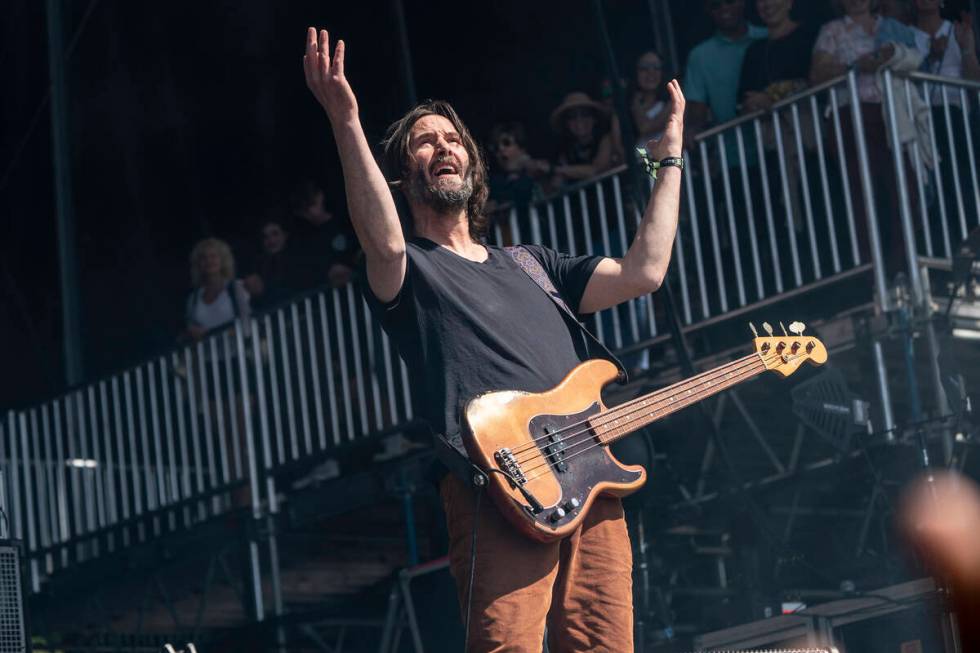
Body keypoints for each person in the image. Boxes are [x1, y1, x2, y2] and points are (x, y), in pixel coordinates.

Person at [304, 27, 685, 652]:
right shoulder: (410, 268)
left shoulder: (534, 265)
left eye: (452, 138)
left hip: (591, 487)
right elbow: (382, 238)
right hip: (499, 485)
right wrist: (346, 119)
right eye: (424, 143)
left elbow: (645, 271)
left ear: (471, 163)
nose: (442, 146)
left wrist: (669, 160)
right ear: (405, 176)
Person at [685, 0, 768, 138]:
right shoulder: (700, 56)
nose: (724, 8)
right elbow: (696, 115)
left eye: (729, 1)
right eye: (715, 5)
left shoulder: (767, 36)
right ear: (708, 11)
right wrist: (692, 131)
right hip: (732, 151)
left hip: (777, 140)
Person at [738, 0, 818, 113]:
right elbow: (742, 101)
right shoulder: (754, 51)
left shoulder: (811, 35)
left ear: (790, 2)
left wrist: (772, 98)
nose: (767, 4)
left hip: (810, 121)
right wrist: (752, 104)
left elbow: (818, 79)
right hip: (770, 127)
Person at [288, 180, 360, 290]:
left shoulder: (345, 222)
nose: (311, 211)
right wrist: (327, 273)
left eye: (312, 204)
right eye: (305, 209)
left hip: (358, 288)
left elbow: (361, 250)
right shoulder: (305, 240)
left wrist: (351, 268)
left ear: (320, 196)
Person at [549, 91, 622, 185]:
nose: (579, 120)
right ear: (566, 124)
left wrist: (553, 169)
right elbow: (556, 184)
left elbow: (595, 170)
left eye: (585, 114)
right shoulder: (565, 150)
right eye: (572, 116)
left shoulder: (605, 140)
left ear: (594, 118)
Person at [184, 237, 250, 340]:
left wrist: (211, 334)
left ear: (222, 260)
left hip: (238, 353)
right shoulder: (193, 299)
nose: (208, 261)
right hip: (208, 355)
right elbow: (191, 330)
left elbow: (247, 325)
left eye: (213, 256)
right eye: (203, 258)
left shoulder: (236, 288)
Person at [485, 122, 551, 210]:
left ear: (521, 146)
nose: (501, 149)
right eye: (496, 147)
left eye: (506, 143)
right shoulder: (495, 182)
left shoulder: (538, 169)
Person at [243, 216, 304, 310]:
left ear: (285, 235)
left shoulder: (298, 257)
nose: (271, 240)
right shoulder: (258, 264)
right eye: (265, 237)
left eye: (275, 234)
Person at [631, 50, 672, 147]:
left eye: (656, 68)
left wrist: (635, 102)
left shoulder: (672, 101)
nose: (651, 72)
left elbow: (645, 127)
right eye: (644, 68)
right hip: (640, 160)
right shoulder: (626, 105)